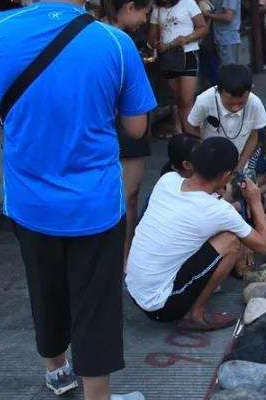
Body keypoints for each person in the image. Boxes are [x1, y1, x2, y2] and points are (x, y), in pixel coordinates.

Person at [0, 0, 157, 398]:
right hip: (95, 203)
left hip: (28, 199)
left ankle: (56, 371)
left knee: (43, 286)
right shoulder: (115, 43)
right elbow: (136, 127)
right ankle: (96, 396)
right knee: (95, 305)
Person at [126, 137, 266, 330]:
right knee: (230, 241)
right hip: (161, 306)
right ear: (225, 176)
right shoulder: (219, 210)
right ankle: (193, 315)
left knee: (214, 232)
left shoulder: (167, 180)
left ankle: (189, 300)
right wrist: (254, 200)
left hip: (134, 289)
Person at [102, 0, 155, 265]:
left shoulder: (102, 34)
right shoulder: (115, 40)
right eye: (145, 12)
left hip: (117, 125)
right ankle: (120, 259)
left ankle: (124, 258)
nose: (146, 20)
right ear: (130, 7)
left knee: (128, 198)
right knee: (125, 198)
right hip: (124, 124)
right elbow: (136, 127)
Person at [187, 64, 266, 170]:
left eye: (241, 103)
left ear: (250, 90)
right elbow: (192, 125)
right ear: (218, 90)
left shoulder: (255, 104)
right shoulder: (204, 101)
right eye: (229, 103)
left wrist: (239, 168)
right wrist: (204, 144)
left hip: (239, 162)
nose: (235, 108)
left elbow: (253, 137)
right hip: (210, 161)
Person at [148, 0, 208, 135]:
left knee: (187, 99)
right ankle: (186, 134)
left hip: (188, 53)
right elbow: (151, 36)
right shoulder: (157, 8)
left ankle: (193, 133)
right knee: (178, 99)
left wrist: (186, 39)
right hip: (168, 57)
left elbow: (203, 28)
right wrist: (156, 43)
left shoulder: (188, 3)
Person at [204, 0, 242, 65]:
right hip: (219, 37)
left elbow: (228, 17)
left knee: (229, 69)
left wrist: (208, 15)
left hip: (227, 38)